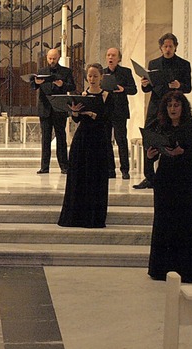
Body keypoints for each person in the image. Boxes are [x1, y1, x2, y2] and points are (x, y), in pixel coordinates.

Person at [146, 91, 192, 283]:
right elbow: (153, 154)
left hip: (185, 178)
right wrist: (150, 156)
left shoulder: (190, 126)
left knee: (186, 220)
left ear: (183, 107)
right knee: (164, 220)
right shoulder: (159, 126)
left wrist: (183, 151)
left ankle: (188, 269)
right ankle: (161, 268)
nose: (173, 109)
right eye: (170, 105)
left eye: (176, 105)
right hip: (165, 177)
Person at [134, 33, 192, 189]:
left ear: (175, 47)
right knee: (149, 136)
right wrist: (145, 83)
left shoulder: (183, 64)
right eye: (165, 46)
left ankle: (170, 174)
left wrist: (179, 85)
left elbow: (188, 87)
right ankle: (149, 176)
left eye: (170, 46)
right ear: (160, 48)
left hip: (174, 106)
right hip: (156, 105)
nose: (168, 49)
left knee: (173, 137)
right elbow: (147, 89)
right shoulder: (154, 63)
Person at [57, 63, 112, 228]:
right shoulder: (82, 95)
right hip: (82, 139)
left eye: (95, 76)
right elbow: (77, 119)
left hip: (99, 140)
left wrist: (94, 114)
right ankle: (76, 216)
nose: (92, 79)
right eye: (90, 76)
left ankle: (94, 217)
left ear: (101, 77)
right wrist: (74, 112)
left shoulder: (107, 96)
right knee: (79, 177)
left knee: (96, 177)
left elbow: (108, 118)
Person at [32, 48, 76, 174]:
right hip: (45, 108)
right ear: (47, 58)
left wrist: (62, 85)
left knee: (61, 138)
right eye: (50, 58)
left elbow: (72, 86)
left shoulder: (66, 71)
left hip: (59, 108)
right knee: (45, 139)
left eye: (54, 58)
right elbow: (34, 86)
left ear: (59, 58)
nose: (52, 61)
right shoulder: (42, 71)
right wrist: (36, 82)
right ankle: (44, 167)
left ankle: (64, 166)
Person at [104, 47, 137, 179]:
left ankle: (125, 170)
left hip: (120, 110)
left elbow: (134, 90)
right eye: (108, 55)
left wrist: (123, 89)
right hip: (106, 111)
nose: (110, 58)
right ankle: (110, 169)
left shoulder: (125, 72)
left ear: (119, 58)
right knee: (106, 141)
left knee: (121, 140)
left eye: (113, 55)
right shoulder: (102, 72)